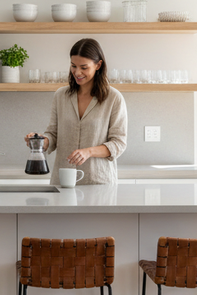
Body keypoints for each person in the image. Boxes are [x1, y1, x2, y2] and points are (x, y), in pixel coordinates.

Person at [25, 38, 127, 186]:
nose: (77, 72)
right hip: (62, 181)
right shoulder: (61, 96)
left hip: (98, 182)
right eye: (73, 66)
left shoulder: (113, 98)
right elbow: (53, 134)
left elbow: (119, 143)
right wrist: (41, 141)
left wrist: (88, 152)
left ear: (98, 65)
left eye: (84, 67)